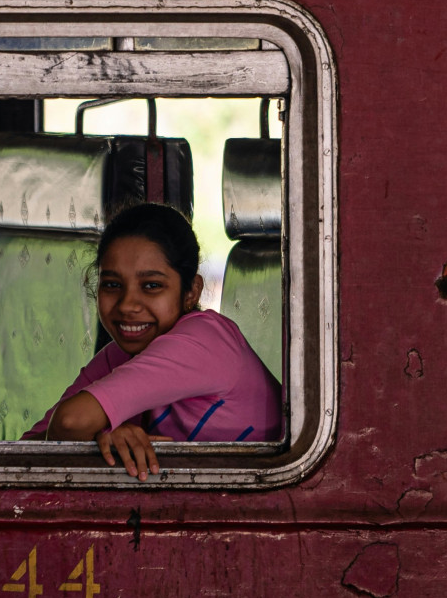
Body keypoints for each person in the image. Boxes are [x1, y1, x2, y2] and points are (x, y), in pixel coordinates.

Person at [23, 203, 282, 480]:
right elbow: (31, 446)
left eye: (151, 286)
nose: (127, 305)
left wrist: (92, 433)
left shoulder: (205, 342)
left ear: (191, 291)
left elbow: (71, 422)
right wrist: (103, 436)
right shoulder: (120, 356)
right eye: (112, 284)